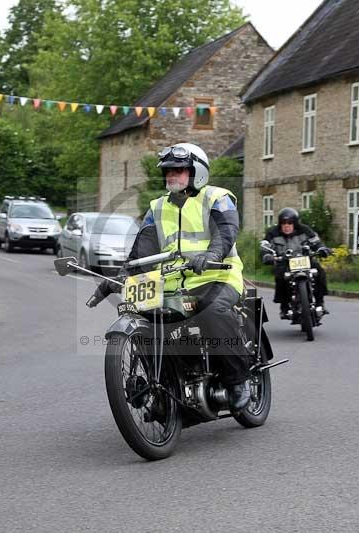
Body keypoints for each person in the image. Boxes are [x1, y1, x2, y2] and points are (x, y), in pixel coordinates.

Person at [90, 142, 251, 411]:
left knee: (212, 310)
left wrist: (211, 255)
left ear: (196, 171)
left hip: (216, 278)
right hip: (171, 286)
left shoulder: (217, 197)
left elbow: (226, 232)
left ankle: (238, 380)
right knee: (145, 319)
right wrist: (118, 277)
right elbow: (141, 251)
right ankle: (165, 390)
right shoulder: (157, 208)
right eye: (168, 171)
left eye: (178, 170)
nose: (171, 176)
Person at [261, 207, 330, 319]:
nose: (286, 225)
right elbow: (265, 246)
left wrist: (322, 249)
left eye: (290, 223)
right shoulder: (273, 233)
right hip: (285, 262)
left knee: (319, 271)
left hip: (304, 259)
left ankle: (320, 302)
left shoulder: (305, 230)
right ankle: (284, 307)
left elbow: (316, 242)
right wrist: (266, 255)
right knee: (280, 276)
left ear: (295, 223)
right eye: (283, 223)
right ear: (280, 224)